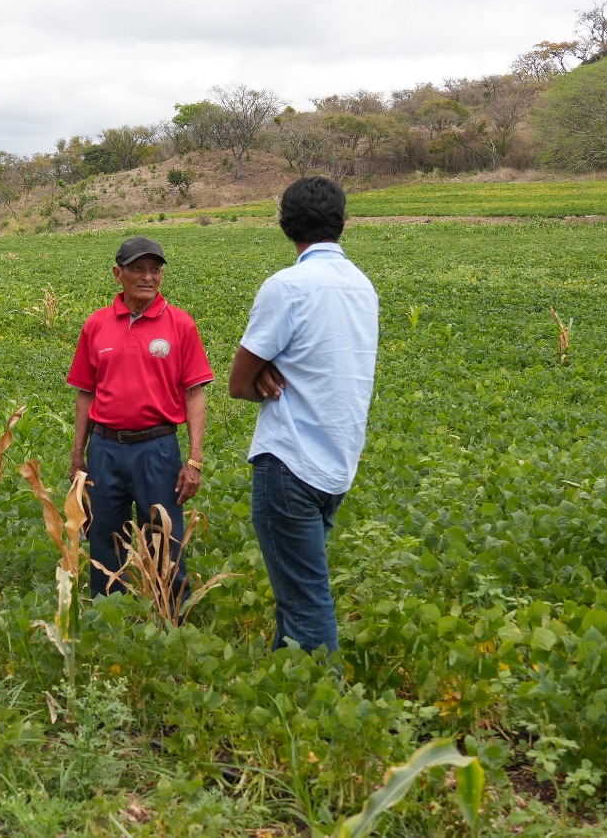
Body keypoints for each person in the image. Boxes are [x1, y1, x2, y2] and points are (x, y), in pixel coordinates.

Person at [228, 176, 378, 653]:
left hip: (289, 463)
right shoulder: (362, 286)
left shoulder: (287, 287)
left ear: (285, 223)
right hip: (337, 463)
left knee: (305, 602)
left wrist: (264, 372)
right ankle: (287, 684)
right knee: (296, 594)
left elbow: (238, 384)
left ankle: (322, 695)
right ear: (342, 222)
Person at [68, 236, 214, 600]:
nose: (148, 277)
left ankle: (170, 615)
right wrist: (78, 455)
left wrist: (194, 459)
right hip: (105, 449)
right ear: (118, 274)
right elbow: (85, 393)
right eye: (138, 269)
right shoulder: (96, 325)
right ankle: (109, 611)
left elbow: (194, 394)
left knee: (164, 537)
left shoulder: (180, 324)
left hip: (157, 449)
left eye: (155, 269)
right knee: (104, 537)